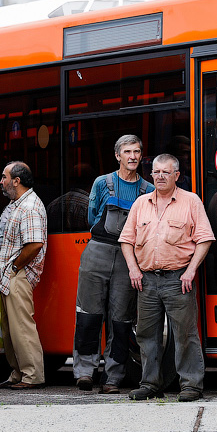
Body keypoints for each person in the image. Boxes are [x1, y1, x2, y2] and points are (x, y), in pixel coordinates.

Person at [119, 153, 215, 402]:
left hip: (178, 279)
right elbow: (126, 241)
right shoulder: (141, 204)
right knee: (147, 335)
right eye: (156, 172)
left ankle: (191, 385)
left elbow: (204, 239)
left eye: (165, 172)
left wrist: (191, 270)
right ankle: (150, 384)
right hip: (147, 280)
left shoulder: (191, 201)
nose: (160, 176)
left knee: (184, 334)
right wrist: (133, 269)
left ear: (176, 176)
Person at [73, 135, 154, 393]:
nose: (133, 156)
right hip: (97, 251)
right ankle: (85, 372)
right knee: (88, 316)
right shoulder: (102, 183)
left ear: (141, 156)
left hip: (129, 258)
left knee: (121, 321)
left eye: (137, 151)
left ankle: (113, 378)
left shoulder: (149, 190)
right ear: (117, 155)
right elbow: (91, 216)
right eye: (127, 151)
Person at [0, 161, 48, 390]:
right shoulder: (16, 203)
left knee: (21, 326)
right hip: (8, 276)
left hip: (18, 276)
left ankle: (32, 376)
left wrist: (14, 268)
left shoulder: (30, 206)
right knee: (10, 328)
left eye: (4, 177)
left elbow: (34, 244)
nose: (1, 182)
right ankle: (18, 372)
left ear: (17, 181)